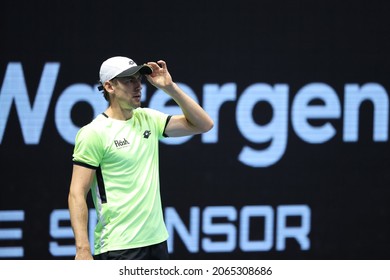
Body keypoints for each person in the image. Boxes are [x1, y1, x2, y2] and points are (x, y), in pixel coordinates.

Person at [68, 56, 213, 260]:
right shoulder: (93, 133)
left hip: (157, 242)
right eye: (129, 80)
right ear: (109, 86)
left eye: (139, 79)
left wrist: (170, 87)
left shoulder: (148, 118)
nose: (138, 86)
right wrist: (82, 249)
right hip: (119, 247)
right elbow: (77, 193)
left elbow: (204, 124)